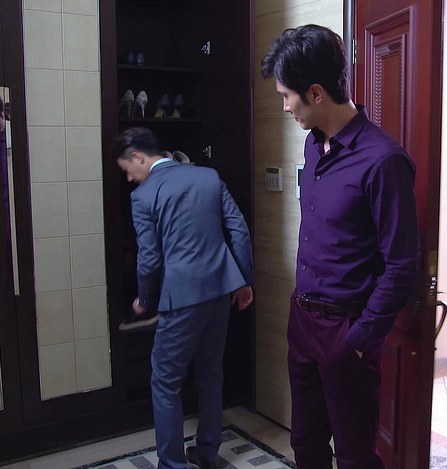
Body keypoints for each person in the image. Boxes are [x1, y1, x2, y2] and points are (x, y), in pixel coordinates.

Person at [261, 25, 419, 468]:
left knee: (354, 456)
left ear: (316, 93)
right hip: (303, 322)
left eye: (287, 96)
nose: (285, 107)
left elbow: (401, 265)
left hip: (346, 332)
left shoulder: (383, 161)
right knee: (306, 446)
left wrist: (360, 339)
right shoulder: (314, 147)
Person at [113, 127, 254, 469]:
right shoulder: (208, 177)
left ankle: (172, 465)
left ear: (138, 157)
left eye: (127, 170)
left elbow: (149, 259)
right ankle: (207, 452)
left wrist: (144, 300)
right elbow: (239, 230)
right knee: (211, 373)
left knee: (165, 382)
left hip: (181, 298)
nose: (129, 179)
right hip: (220, 289)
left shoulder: (144, 196)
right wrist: (243, 282)